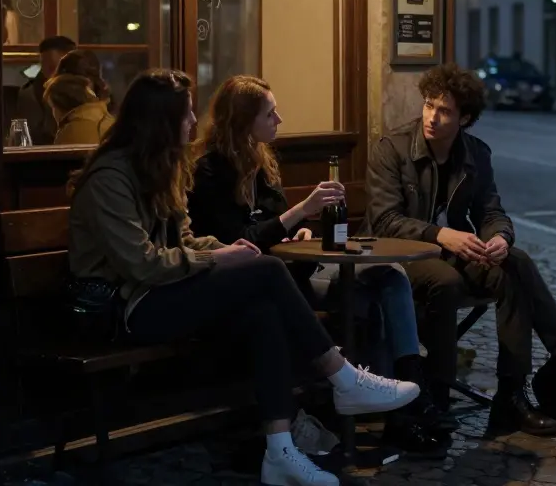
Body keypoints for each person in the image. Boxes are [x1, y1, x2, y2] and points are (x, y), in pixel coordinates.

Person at [68, 68, 419, 486]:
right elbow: (142, 264)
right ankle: (343, 377)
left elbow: (184, 239)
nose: (194, 123)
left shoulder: (163, 167)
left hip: (158, 292)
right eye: (186, 115)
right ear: (159, 122)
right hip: (121, 310)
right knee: (267, 269)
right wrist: (220, 261)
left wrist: (222, 249)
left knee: (263, 310)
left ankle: (280, 451)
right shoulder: (110, 178)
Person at [187, 74, 448, 453]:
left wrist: (301, 230)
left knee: (390, 276)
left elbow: (275, 224)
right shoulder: (210, 170)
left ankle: (411, 391)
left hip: (294, 270)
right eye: (270, 113)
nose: (279, 120)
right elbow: (241, 239)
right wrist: (302, 211)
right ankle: (369, 400)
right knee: (368, 305)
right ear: (244, 121)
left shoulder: (260, 160)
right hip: (261, 285)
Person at [365, 63, 556, 437]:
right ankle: (438, 395)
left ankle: (511, 395)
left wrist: (499, 238)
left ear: (465, 118)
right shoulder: (391, 149)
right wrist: (441, 235)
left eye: (444, 111)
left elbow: (491, 212)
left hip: (451, 249)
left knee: (512, 262)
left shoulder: (476, 154)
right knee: (444, 280)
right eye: (429, 105)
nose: (432, 117)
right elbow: (384, 222)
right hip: (397, 255)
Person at [16, 35, 76, 145]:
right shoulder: (30, 95)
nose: (49, 74)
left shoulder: (87, 91)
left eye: (54, 67)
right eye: (44, 66)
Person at [44, 74, 113, 146]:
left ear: (61, 105)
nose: (53, 113)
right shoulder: (110, 121)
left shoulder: (69, 132)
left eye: (53, 107)